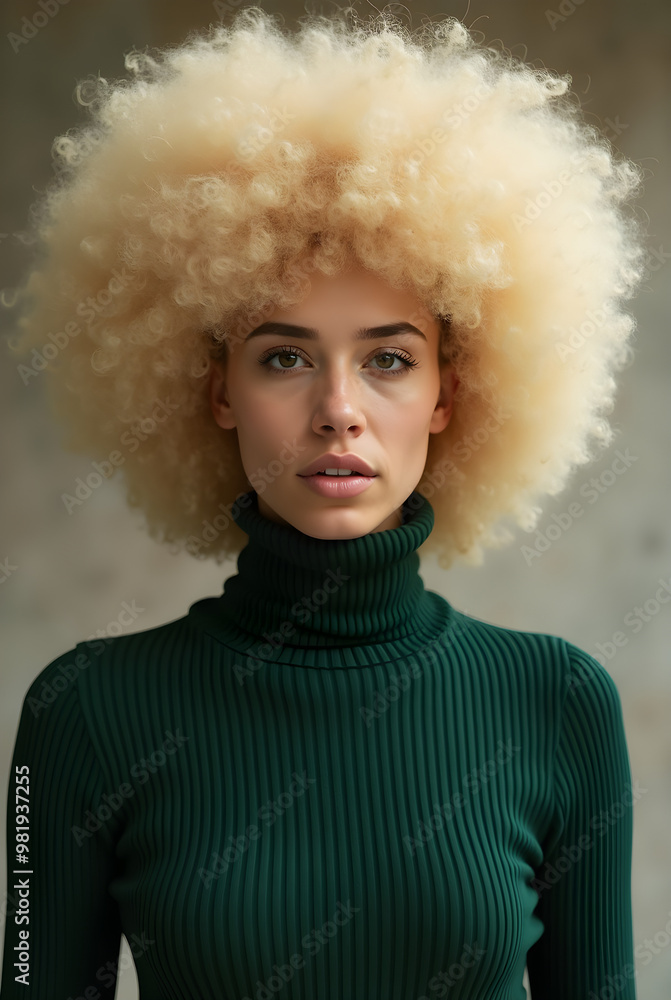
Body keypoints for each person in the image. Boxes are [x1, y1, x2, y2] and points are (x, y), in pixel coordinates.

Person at [1, 6, 644, 998]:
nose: (337, 410)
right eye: (284, 357)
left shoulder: (556, 704)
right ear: (215, 388)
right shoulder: (86, 712)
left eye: (388, 358)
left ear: (450, 395)